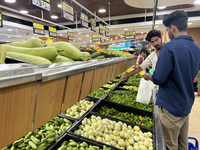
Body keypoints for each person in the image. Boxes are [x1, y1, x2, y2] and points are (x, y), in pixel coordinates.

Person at [142, 10, 200, 150]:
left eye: (167, 29)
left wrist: (149, 76)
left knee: (170, 145)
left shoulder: (169, 47)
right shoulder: (197, 49)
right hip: (185, 104)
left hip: (171, 106)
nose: (168, 32)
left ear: (172, 28)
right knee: (182, 143)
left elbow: (159, 78)